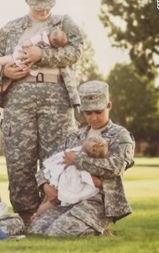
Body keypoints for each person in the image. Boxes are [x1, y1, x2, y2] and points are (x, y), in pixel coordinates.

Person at [0, 0, 83, 225]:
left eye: (46, 2)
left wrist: (43, 54)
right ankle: (26, 215)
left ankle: (55, 210)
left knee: (56, 157)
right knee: (20, 158)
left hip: (56, 97)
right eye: (37, 2)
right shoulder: (10, 29)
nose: (42, 9)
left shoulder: (64, 23)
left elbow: (76, 51)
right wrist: (6, 72)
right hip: (19, 98)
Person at [29, 81, 135, 236]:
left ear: (109, 106)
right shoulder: (75, 136)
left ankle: (100, 229)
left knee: (58, 233)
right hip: (68, 197)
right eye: (88, 113)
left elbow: (116, 167)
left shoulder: (120, 136)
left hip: (99, 200)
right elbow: (53, 163)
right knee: (36, 230)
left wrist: (77, 160)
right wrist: (44, 185)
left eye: (98, 111)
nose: (94, 117)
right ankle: (91, 227)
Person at [33, 136, 108, 218]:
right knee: (48, 199)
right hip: (59, 178)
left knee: (51, 201)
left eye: (95, 151)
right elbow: (58, 159)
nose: (93, 151)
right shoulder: (73, 150)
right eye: (94, 147)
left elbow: (86, 175)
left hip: (67, 182)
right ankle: (36, 216)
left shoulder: (84, 160)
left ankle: (37, 216)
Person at [0, 28, 69, 99]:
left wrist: (24, 46)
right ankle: (4, 86)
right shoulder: (51, 49)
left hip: (18, 58)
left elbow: (27, 43)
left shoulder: (41, 36)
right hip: (28, 68)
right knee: (15, 74)